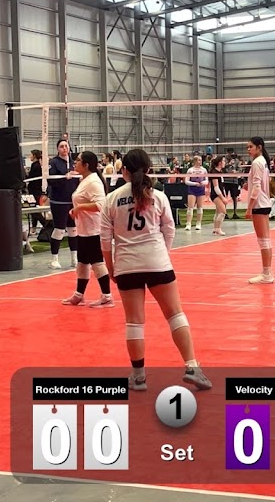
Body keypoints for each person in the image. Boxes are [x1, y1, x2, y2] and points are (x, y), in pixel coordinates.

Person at [101, 149, 211, 391]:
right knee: (175, 314)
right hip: (157, 262)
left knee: (134, 322)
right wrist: (163, 254)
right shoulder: (158, 196)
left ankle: (138, 377)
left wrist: (111, 268)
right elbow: (169, 229)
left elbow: (105, 240)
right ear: (149, 169)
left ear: (124, 171)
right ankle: (192, 367)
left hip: (127, 265)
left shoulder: (111, 199)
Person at [61, 151, 113, 308]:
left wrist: (80, 207)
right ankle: (79, 295)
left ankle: (107, 296)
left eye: (78, 160)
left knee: (97, 262)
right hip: (83, 229)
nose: (74, 163)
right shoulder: (85, 180)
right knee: (82, 262)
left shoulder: (93, 182)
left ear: (86, 165)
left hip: (94, 230)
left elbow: (101, 205)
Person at [245, 137, 275, 284]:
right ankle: (267, 272)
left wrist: (249, 208)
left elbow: (257, 187)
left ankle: (266, 274)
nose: (248, 149)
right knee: (266, 240)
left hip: (259, 205)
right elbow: (260, 184)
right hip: (264, 203)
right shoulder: (262, 161)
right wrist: (248, 185)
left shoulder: (257, 162)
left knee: (263, 241)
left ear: (259, 147)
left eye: (250, 147)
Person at [47, 139, 80, 270]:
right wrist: (65, 177)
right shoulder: (53, 163)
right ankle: (54, 259)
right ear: (57, 149)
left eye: (66, 146)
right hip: (59, 201)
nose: (64, 148)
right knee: (59, 230)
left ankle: (74, 259)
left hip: (72, 201)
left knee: (73, 230)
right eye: (61, 146)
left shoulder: (74, 163)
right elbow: (51, 181)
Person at [209, 156, 232, 235]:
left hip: (220, 194)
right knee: (223, 212)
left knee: (218, 212)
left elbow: (221, 186)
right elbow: (216, 187)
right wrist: (222, 198)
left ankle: (215, 229)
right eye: (223, 161)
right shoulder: (214, 172)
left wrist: (224, 195)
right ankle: (218, 229)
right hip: (216, 194)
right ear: (220, 163)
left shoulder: (219, 172)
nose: (225, 163)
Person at [184, 156, 208, 231]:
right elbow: (186, 181)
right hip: (192, 190)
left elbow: (207, 181)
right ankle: (188, 224)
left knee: (199, 207)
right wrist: (194, 184)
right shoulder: (190, 170)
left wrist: (203, 183)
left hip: (201, 189)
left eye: (201, 160)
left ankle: (198, 223)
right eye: (199, 160)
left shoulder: (204, 170)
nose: (200, 161)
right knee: (190, 207)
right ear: (195, 161)